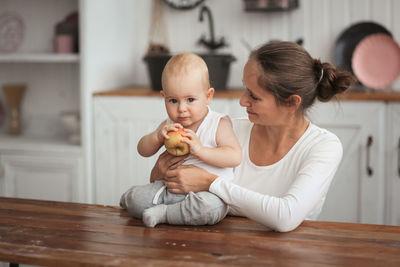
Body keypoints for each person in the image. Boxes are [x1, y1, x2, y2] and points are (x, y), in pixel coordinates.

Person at [149, 41, 357, 232]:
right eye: (245, 89)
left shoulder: (323, 146)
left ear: (292, 103)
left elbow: (286, 216)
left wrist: (211, 183)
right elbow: (174, 191)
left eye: (254, 96)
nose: (242, 101)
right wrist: (160, 173)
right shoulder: (227, 132)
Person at [120, 52, 242, 227]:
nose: (181, 109)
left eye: (190, 100)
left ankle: (164, 214)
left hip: (205, 194)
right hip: (170, 188)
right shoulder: (169, 125)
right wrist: (156, 137)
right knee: (135, 200)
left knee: (211, 209)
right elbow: (143, 150)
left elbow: (235, 156)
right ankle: (132, 198)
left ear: (208, 96)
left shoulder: (218, 123)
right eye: (173, 101)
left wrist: (201, 150)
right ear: (164, 97)